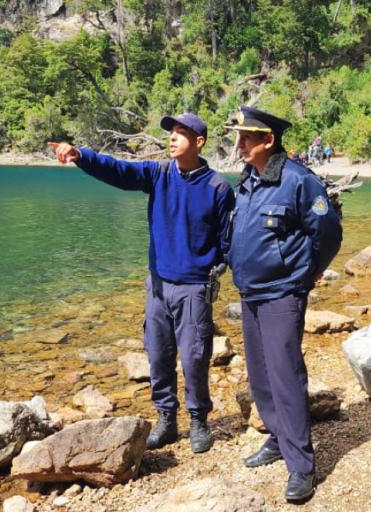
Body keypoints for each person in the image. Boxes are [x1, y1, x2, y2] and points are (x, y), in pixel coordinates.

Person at [49, 113, 235, 454]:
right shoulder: (159, 174)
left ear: (199, 142)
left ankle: (198, 421)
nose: (173, 138)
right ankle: (166, 420)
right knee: (158, 353)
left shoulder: (218, 188)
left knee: (194, 357)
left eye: (181, 133)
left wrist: (216, 275)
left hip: (194, 287)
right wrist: (82, 156)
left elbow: (228, 243)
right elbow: (120, 171)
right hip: (158, 285)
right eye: (172, 133)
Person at [226, 106, 342, 502]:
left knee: (286, 378)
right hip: (251, 293)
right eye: (238, 136)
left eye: (245, 137)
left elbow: (328, 234)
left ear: (268, 140)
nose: (238, 143)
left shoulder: (298, 181)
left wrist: (307, 275)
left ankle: (301, 466)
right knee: (260, 376)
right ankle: (277, 439)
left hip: (281, 293)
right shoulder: (249, 181)